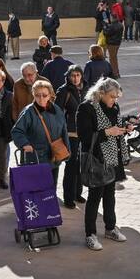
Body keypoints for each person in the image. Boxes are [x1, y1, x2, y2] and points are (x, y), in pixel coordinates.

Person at [77, 78, 132, 251]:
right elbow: (84, 136)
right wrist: (107, 132)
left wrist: (126, 126)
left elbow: (117, 124)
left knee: (110, 195)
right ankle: (90, 234)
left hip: (112, 158)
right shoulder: (86, 108)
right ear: (101, 94)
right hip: (96, 159)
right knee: (94, 197)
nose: (114, 100)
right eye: (112, 96)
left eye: (116, 97)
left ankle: (110, 228)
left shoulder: (113, 107)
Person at [11, 79, 70, 194]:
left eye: (44, 95)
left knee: (50, 190)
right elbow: (17, 131)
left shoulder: (57, 110)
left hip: (53, 158)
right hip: (35, 159)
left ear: (50, 95)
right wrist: (24, 144)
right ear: (33, 94)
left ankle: (49, 210)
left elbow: (64, 131)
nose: (41, 98)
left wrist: (66, 152)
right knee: (36, 193)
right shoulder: (28, 112)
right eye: (38, 95)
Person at [56, 66, 87, 208]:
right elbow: (57, 112)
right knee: (71, 165)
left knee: (80, 164)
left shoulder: (86, 89)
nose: (75, 78)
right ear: (68, 76)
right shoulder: (64, 91)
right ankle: (68, 197)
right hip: (70, 133)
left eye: (78, 75)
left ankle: (77, 193)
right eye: (72, 75)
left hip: (84, 132)